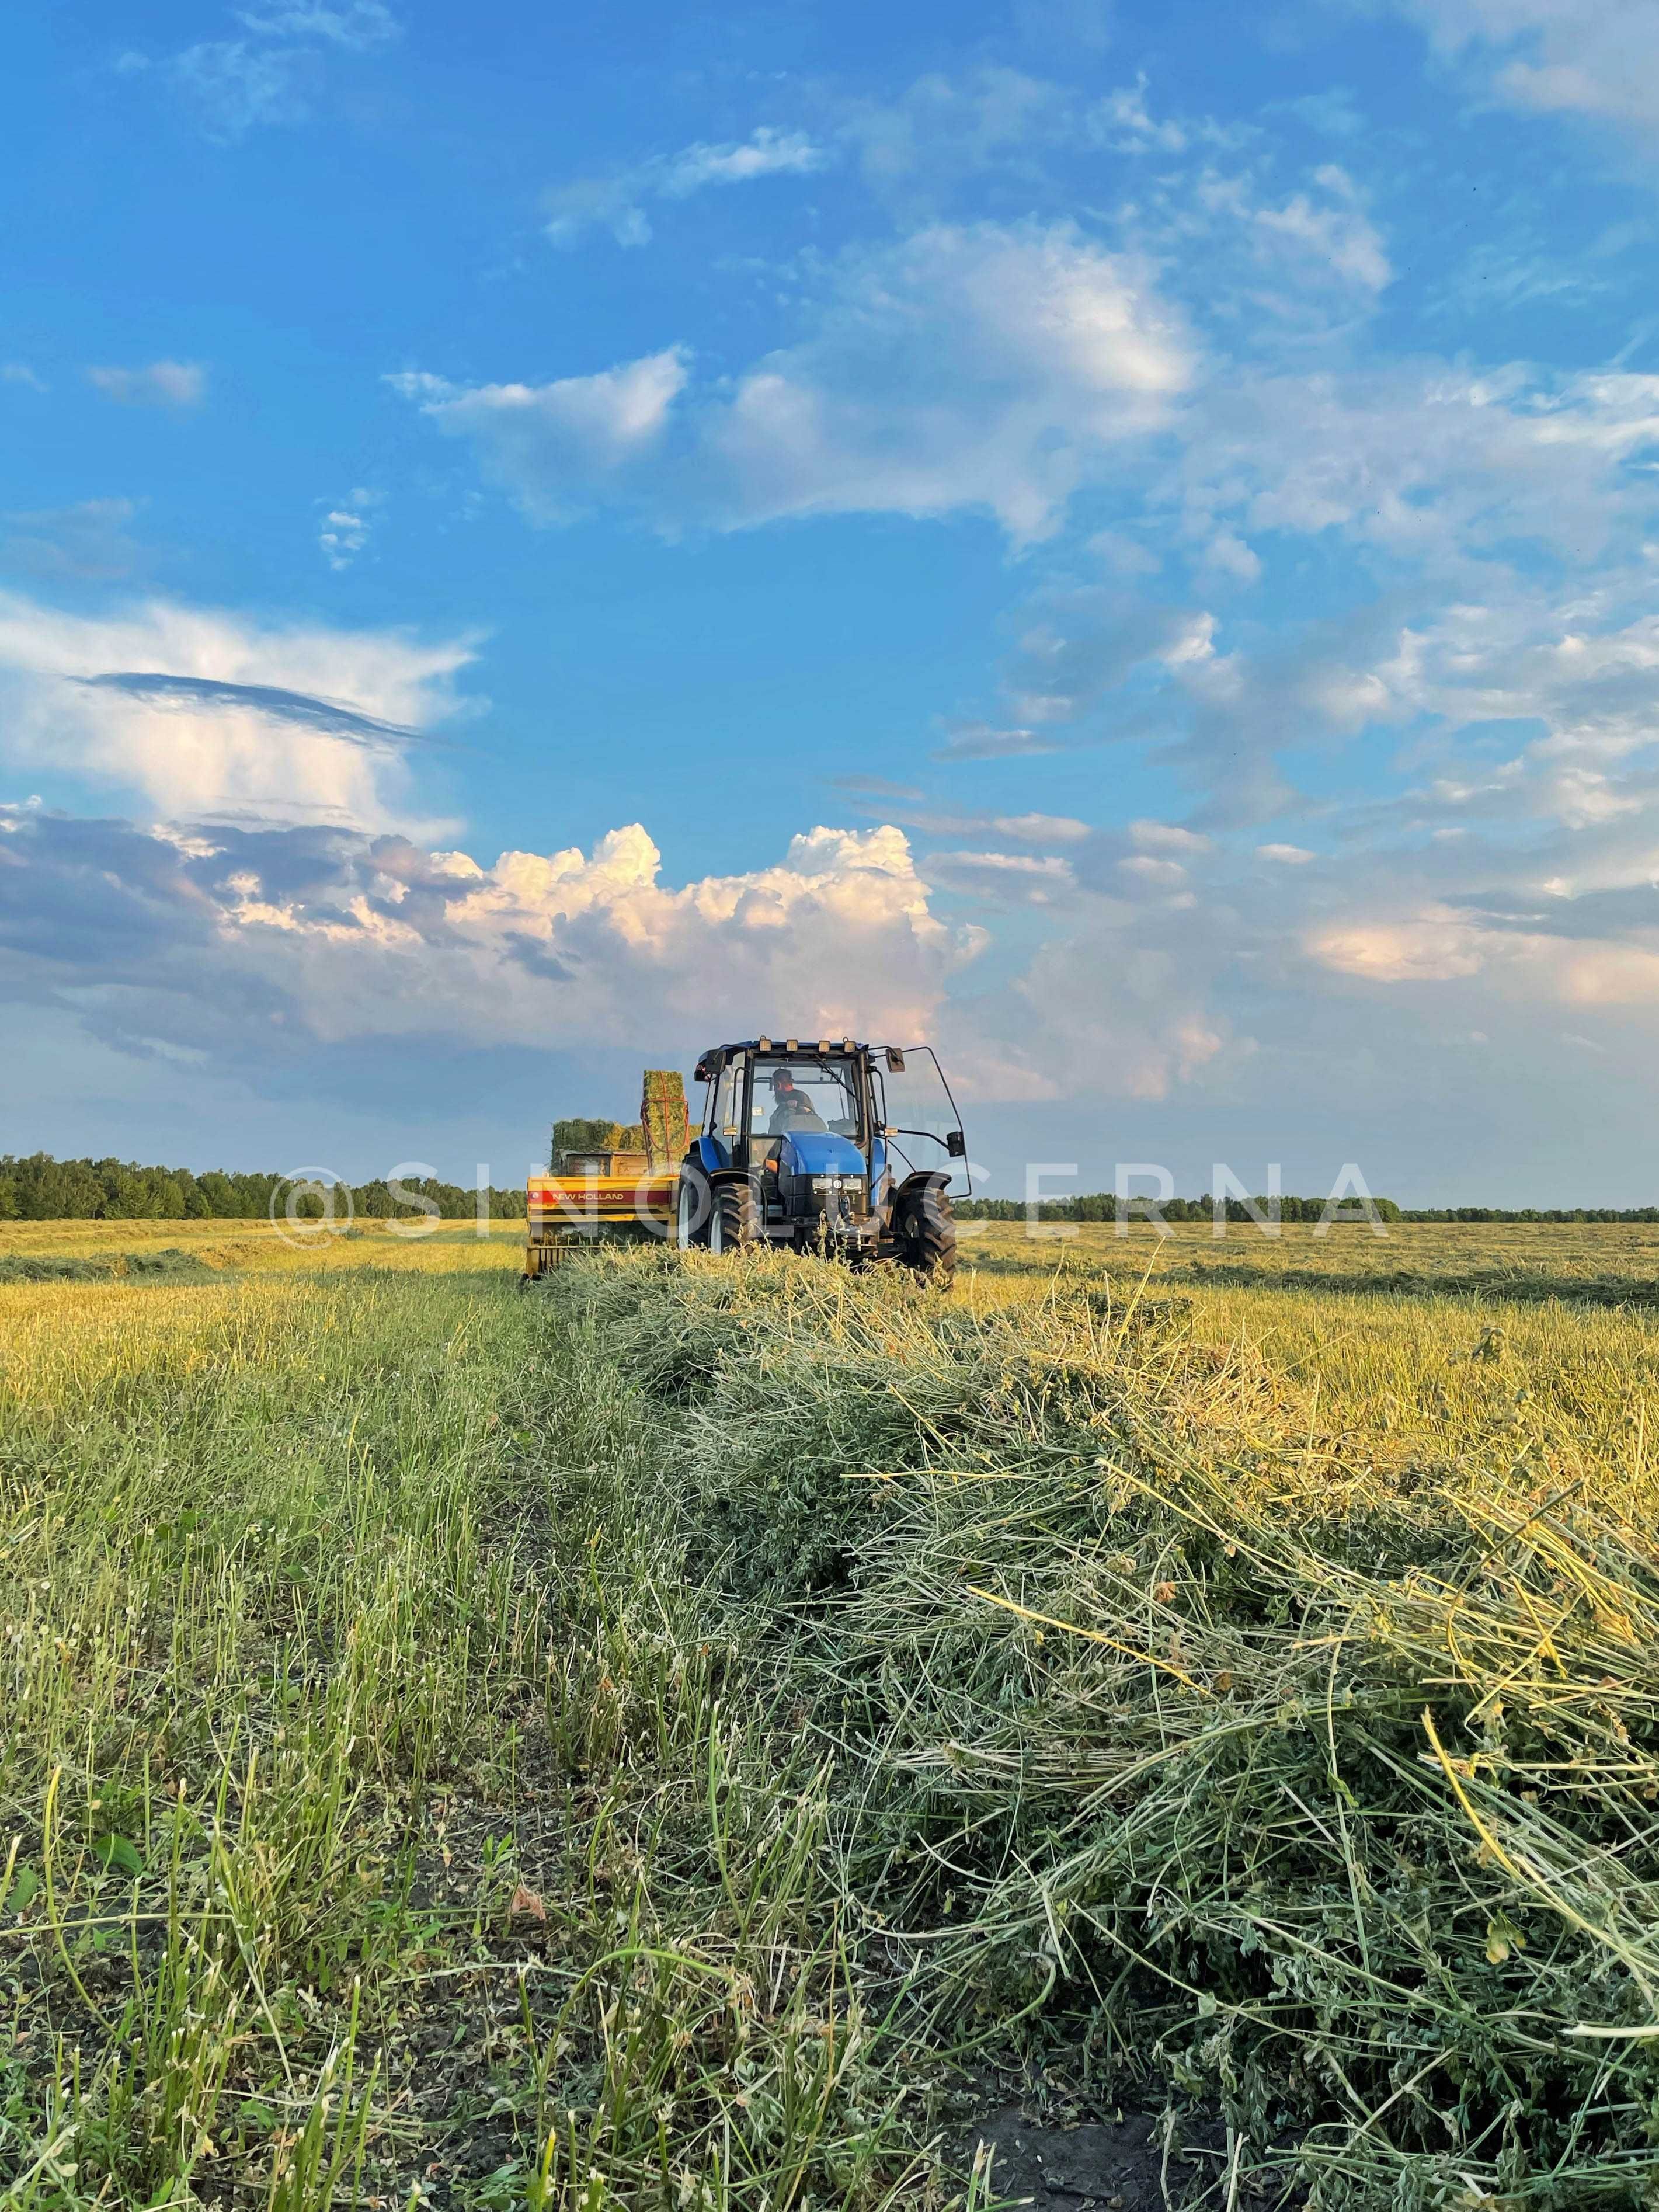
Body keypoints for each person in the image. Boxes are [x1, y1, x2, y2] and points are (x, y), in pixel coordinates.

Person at [767, 1067, 826, 1134]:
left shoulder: (800, 1098)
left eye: (774, 1086)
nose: (774, 1090)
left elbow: (801, 1123)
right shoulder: (785, 1103)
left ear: (778, 1085)